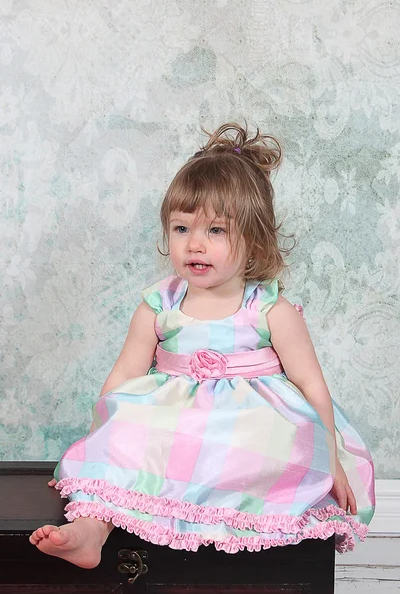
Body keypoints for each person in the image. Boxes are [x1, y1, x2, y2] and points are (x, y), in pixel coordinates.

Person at [29, 122, 375, 569]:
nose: (195, 243)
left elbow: (311, 384)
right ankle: (91, 531)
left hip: (248, 426)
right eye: (181, 227)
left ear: (253, 239)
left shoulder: (269, 309)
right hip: (172, 426)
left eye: (216, 230)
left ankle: (249, 547)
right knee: (124, 438)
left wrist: (330, 458)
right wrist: (107, 431)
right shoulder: (160, 304)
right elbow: (124, 376)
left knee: (274, 445)